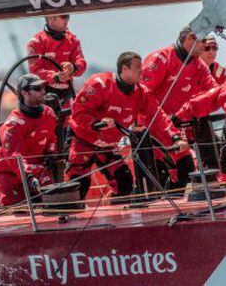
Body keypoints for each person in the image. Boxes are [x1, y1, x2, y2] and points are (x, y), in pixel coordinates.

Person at [67, 52, 188, 199]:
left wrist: (175, 137)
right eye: (137, 67)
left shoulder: (141, 92)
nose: (141, 71)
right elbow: (78, 112)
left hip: (109, 147)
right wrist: (96, 124)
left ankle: (116, 217)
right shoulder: (100, 83)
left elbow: (158, 117)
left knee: (125, 185)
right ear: (124, 69)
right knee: (78, 188)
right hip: (82, 143)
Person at [141, 26, 218, 187]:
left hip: (177, 127)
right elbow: (142, 96)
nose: (205, 48)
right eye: (203, 42)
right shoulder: (161, 58)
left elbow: (214, 92)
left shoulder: (198, 64)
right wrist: (165, 122)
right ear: (190, 39)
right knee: (158, 182)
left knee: (186, 170)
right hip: (153, 128)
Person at [0, 74, 57, 206]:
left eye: (43, 87)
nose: (43, 91)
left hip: (38, 171)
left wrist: (50, 153)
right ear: (24, 93)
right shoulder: (13, 124)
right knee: (16, 212)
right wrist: (28, 176)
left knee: (55, 202)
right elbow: (14, 156)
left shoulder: (49, 114)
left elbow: (51, 138)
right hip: (12, 176)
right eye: (38, 88)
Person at [27, 14, 87, 105]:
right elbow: (35, 71)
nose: (67, 19)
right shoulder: (36, 42)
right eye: (63, 16)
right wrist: (55, 77)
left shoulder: (73, 39)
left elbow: (81, 64)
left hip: (67, 95)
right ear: (51, 17)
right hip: (44, 96)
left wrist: (73, 67)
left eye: (68, 16)